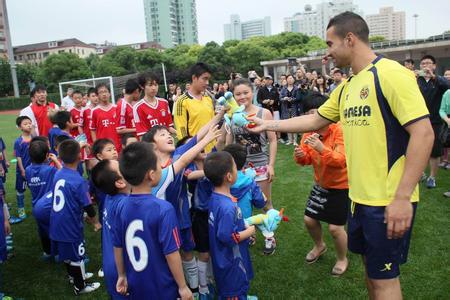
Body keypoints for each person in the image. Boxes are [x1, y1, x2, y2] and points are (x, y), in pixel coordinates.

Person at [248, 12, 433, 300]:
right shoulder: (347, 86)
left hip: (387, 200)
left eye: (330, 44)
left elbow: (424, 134)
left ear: (350, 39)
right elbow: (314, 121)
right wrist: (267, 124)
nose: (328, 53)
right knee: (372, 276)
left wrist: (401, 197)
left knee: (385, 280)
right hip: (358, 199)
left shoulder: (392, 74)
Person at [141, 116, 222, 295]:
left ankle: (193, 291)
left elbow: (198, 135)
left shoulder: (177, 154)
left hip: (182, 218)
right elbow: (197, 144)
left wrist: (221, 113)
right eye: (163, 134)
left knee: (187, 254)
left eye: (168, 134)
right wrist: (207, 138)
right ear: (152, 145)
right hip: (161, 222)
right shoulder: (151, 171)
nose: (170, 136)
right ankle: (176, 288)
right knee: (167, 256)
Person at [113, 142, 193, 300]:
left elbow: (117, 244)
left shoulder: (120, 205)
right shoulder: (163, 209)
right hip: (162, 287)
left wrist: (121, 274)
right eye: (158, 165)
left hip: (135, 283)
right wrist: (183, 287)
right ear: (151, 174)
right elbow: (171, 253)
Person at [293, 93, 349, 275]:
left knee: (335, 228)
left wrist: (320, 147)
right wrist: (301, 156)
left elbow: (341, 161)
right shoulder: (308, 133)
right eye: (311, 114)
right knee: (309, 220)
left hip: (342, 186)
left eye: (318, 112)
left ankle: (342, 258)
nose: (315, 117)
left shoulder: (340, 129)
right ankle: (320, 246)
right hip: (321, 184)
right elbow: (307, 159)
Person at [226, 78, 278, 255]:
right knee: (240, 206)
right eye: (238, 94)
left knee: (265, 204)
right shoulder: (232, 116)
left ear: (253, 92)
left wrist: (271, 165)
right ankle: (249, 233)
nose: (242, 97)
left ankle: (270, 237)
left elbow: (272, 140)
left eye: (245, 93)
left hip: (261, 165)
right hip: (239, 170)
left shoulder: (264, 114)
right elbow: (229, 143)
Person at [49, 139, 101, 295]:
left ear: (60, 156)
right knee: (77, 255)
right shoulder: (78, 180)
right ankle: (80, 286)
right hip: (70, 224)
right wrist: (96, 222)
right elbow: (88, 206)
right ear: (79, 156)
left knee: (67, 253)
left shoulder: (59, 173)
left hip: (57, 220)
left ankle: (73, 276)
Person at [204, 151, 256, 299]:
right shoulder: (227, 207)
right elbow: (226, 236)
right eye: (235, 167)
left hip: (222, 259)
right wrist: (249, 231)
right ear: (229, 176)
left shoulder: (215, 197)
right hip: (231, 262)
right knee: (234, 291)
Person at [91, 159, 129, 299]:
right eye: (123, 166)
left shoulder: (109, 196)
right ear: (119, 183)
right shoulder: (126, 206)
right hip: (123, 269)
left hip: (111, 265)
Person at [417, 55, 450, 188]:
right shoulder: (416, 80)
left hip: (435, 121)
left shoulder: (439, 80)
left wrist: (434, 76)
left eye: (428, 63)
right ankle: (420, 174)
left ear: (434, 66)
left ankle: (432, 177)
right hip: (418, 121)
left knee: (434, 151)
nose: (425, 66)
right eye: (423, 64)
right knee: (418, 149)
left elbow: (448, 86)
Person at [224, 143, 266, 238]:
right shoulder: (250, 182)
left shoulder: (221, 180)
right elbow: (260, 203)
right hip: (246, 224)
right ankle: (251, 238)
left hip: (226, 223)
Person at [174, 63, 215, 153]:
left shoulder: (208, 99)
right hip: (196, 152)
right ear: (194, 78)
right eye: (204, 79)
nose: (207, 83)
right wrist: (190, 149)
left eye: (208, 79)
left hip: (212, 150)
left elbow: (213, 123)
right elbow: (182, 132)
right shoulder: (182, 101)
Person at [134, 73, 175, 139]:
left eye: (155, 85)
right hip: (152, 146)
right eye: (150, 85)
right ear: (142, 86)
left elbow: (169, 127)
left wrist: (180, 134)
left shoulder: (164, 103)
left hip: (166, 144)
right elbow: (142, 135)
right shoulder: (138, 107)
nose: (153, 88)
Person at [12, 116, 33, 222]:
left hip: (33, 170)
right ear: (20, 127)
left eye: (30, 123)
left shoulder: (34, 138)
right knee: (20, 190)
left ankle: (37, 207)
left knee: (35, 188)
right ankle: (21, 209)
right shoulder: (18, 141)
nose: (29, 125)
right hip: (22, 171)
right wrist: (22, 170)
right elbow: (18, 157)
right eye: (25, 124)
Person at [115, 79, 141, 152]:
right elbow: (119, 130)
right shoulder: (122, 105)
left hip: (134, 141)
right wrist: (138, 129)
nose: (139, 96)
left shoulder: (131, 105)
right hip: (128, 144)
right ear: (136, 91)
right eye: (139, 93)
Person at [90, 84, 119, 148]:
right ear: (97, 95)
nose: (104, 94)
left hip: (117, 145)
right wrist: (96, 145)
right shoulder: (94, 111)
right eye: (101, 92)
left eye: (105, 91)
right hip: (102, 147)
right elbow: (92, 130)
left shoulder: (117, 108)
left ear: (109, 93)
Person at [79, 88, 99, 172]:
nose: (96, 98)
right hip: (89, 143)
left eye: (97, 95)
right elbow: (80, 126)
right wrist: (84, 143)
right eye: (93, 96)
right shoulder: (84, 110)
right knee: (91, 169)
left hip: (100, 142)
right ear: (88, 97)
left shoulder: (101, 109)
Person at [280, 75, 300, 145]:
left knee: (294, 124)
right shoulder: (283, 88)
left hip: (294, 108)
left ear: (293, 80)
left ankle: (295, 141)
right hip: (286, 108)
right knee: (288, 124)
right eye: (288, 78)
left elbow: (298, 98)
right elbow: (280, 98)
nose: (290, 79)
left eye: (291, 78)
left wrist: (291, 99)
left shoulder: (296, 88)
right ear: (286, 80)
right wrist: (284, 99)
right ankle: (290, 140)